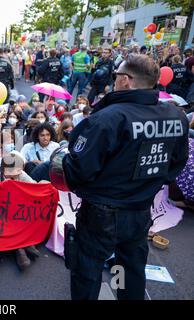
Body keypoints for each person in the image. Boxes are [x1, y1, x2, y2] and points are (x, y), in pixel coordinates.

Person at [58, 54, 189, 300]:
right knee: (130, 270)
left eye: (117, 76)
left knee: (88, 270)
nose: (114, 80)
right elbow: (175, 165)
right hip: (140, 210)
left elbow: (78, 171)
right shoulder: (176, 117)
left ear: (126, 81)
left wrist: (65, 157)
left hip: (101, 214)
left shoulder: (107, 118)